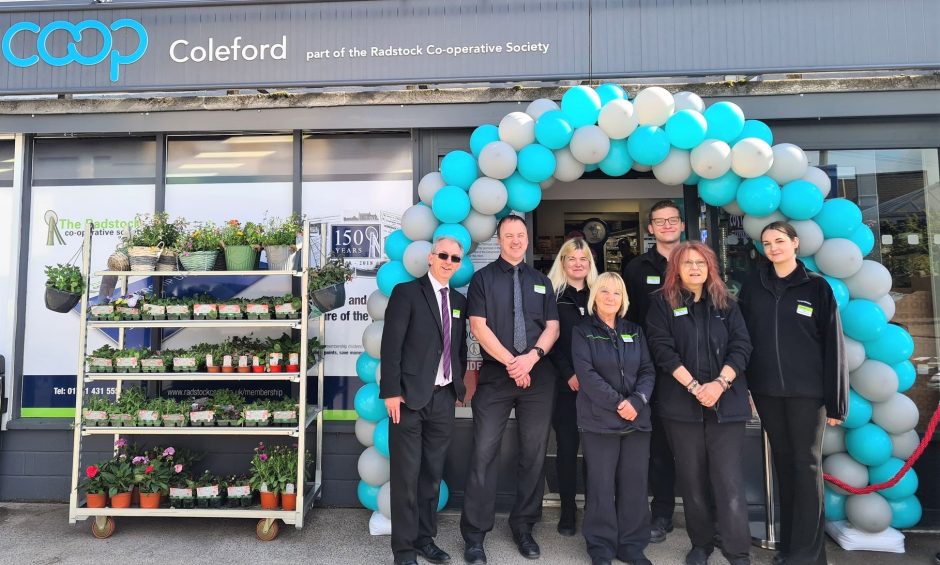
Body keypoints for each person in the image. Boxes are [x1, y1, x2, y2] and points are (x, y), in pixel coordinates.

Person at [738, 221, 848, 565]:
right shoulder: (754, 287)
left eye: (780, 241)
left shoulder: (816, 287)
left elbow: (833, 343)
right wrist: (745, 386)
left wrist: (836, 401)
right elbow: (743, 338)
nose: (774, 248)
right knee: (785, 466)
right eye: (767, 243)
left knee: (806, 466)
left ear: (795, 243)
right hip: (767, 391)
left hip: (808, 394)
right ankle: (789, 547)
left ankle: (809, 556)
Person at [460, 214, 560, 564]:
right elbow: (478, 327)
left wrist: (530, 359)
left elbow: (552, 328)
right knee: (483, 452)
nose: (515, 241)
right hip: (495, 375)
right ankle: (475, 535)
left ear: (527, 240)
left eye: (520, 235)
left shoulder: (541, 281)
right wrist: (512, 363)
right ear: (499, 240)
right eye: (508, 236)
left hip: (537, 375)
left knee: (533, 454)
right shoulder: (482, 279)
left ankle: (524, 526)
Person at [645, 241, 753, 565]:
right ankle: (701, 544)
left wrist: (719, 384)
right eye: (687, 263)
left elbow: (742, 347)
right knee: (691, 480)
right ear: (676, 268)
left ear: (710, 267)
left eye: (700, 263)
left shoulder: (727, 303)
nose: (694, 268)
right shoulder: (662, 303)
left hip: (726, 404)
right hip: (681, 406)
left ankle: (737, 550)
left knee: (728, 480)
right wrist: (695, 387)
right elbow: (662, 350)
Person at [379, 236, 469, 565]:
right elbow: (391, 345)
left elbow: (458, 348)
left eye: (455, 258)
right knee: (406, 477)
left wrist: (458, 386)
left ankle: (424, 539)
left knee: (432, 475)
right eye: (443, 255)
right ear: (431, 258)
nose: (448, 262)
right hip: (407, 400)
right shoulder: (407, 293)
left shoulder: (459, 300)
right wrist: (391, 391)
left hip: (443, 399)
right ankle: (404, 551)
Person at [571, 272, 655, 565]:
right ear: (595, 296)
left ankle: (631, 545)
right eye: (604, 291)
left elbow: (648, 370)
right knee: (601, 486)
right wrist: (619, 403)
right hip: (598, 421)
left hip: (636, 420)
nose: (610, 297)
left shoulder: (635, 331)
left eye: (616, 292)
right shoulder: (582, 331)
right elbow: (587, 375)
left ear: (623, 299)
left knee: (635, 484)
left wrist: (637, 401)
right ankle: (601, 546)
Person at [623, 199, 685, 543]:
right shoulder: (636, 268)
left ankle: (709, 515)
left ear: (682, 225)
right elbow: (628, 319)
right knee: (659, 447)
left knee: (698, 446)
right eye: (660, 221)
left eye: (672, 220)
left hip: (695, 369)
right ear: (650, 228)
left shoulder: (697, 261)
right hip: (652, 371)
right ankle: (662, 514)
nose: (666, 226)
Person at [546, 237, 598, 536]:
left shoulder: (599, 294)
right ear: (562, 262)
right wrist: (568, 374)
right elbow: (549, 341)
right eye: (571, 259)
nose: (578, 264)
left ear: (590, 263)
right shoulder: (552, 296)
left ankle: (595, 508)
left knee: (595, 452)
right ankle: (568, 510)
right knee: (567, 450)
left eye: (583, 259)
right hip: (564, 386)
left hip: (597, 389)